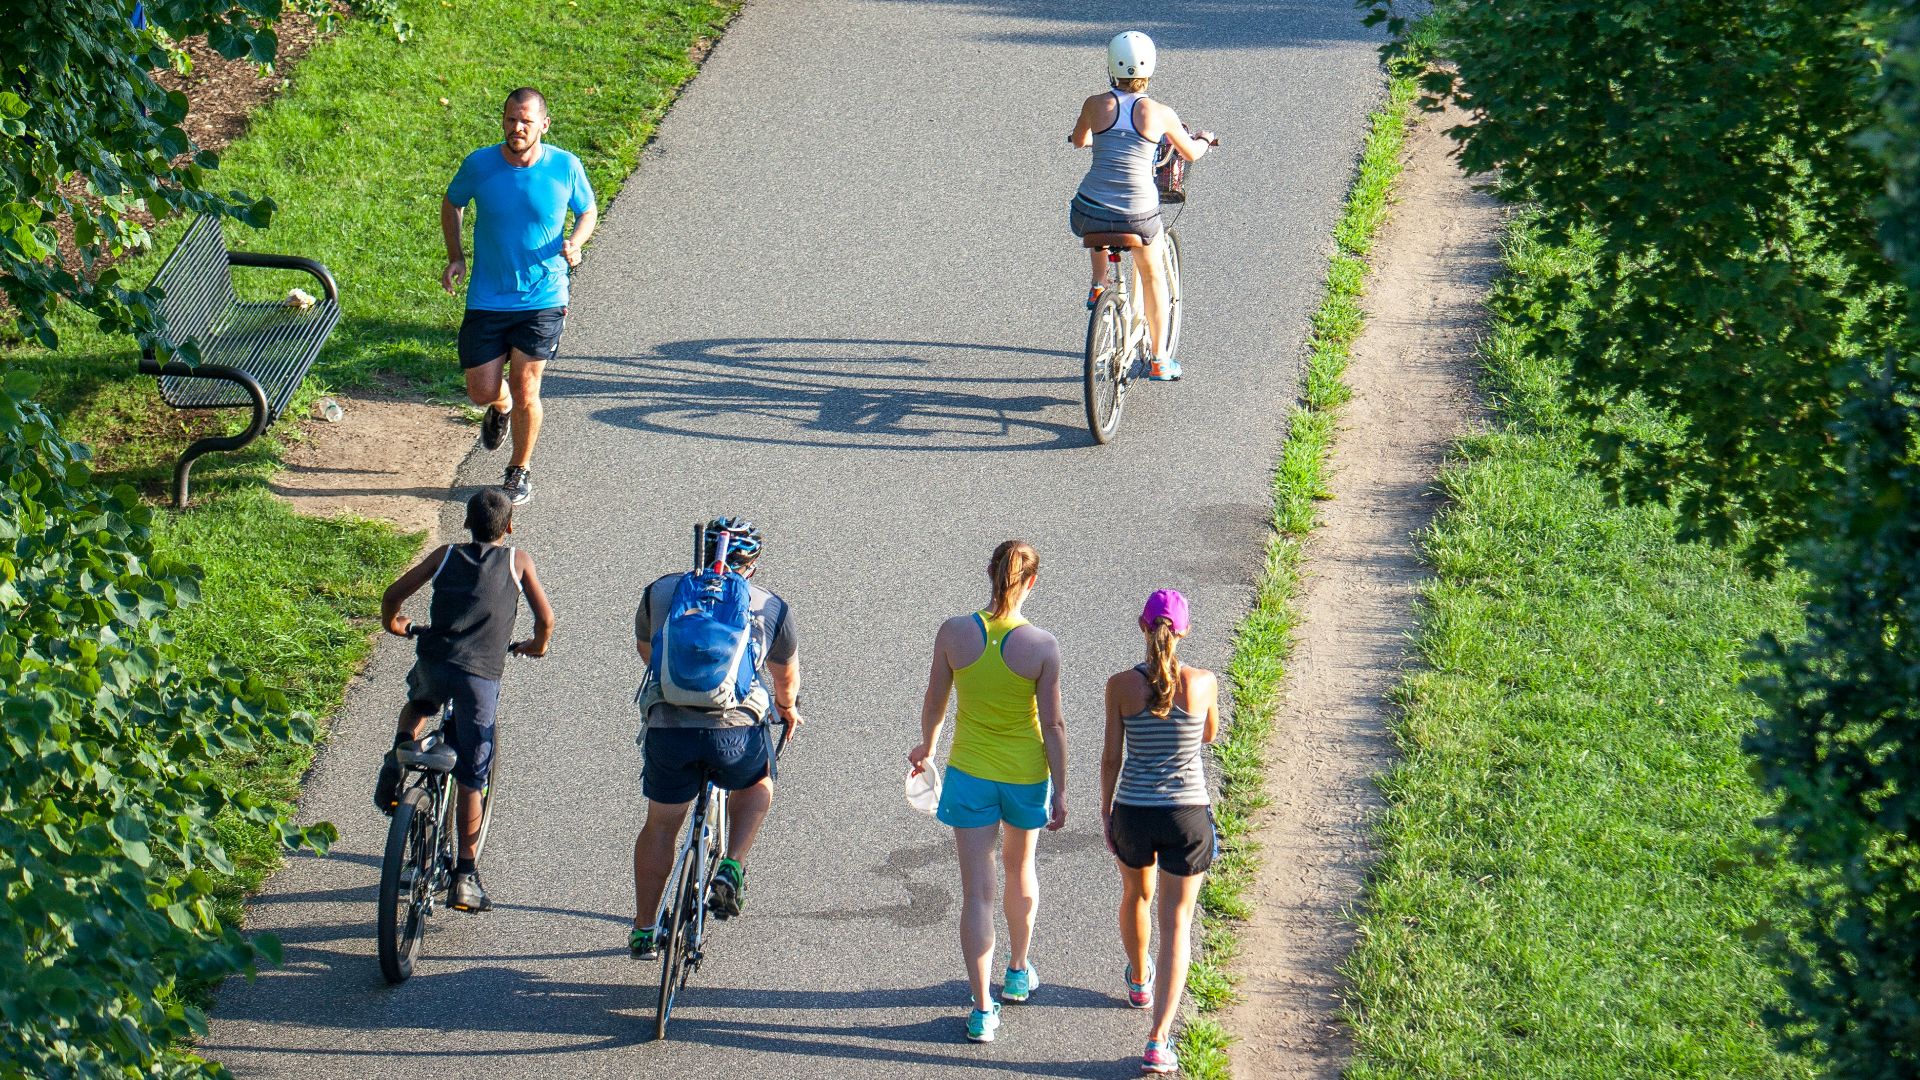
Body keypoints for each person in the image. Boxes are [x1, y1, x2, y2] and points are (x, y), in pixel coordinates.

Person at [908, 540, 1068, 1044]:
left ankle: (982, 1009)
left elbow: (936, 699)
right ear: (1032, 582)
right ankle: (1018, 971)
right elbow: (1054, 723)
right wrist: (1060, 789)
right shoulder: (1042, 646)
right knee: (1022, 869)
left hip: (970, 774)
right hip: (1026, 775)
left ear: (989, 573)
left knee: (977, 892)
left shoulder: (954, 633)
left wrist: (926, 750)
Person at [629, 517, 804, 959]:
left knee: (661, 824)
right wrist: (786, 708)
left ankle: (644, 929)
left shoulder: (662, 592)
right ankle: (733, 863)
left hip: (669, 729)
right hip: (735, 732)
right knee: (758, 781)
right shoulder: (770, 606)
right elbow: (786, 679)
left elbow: (648, 652)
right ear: (753, 565)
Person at [374, 488, 555, 912]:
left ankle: (399, 753)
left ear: (466, 523)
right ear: (509, 527)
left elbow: (393, 594)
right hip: (479, 680)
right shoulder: (518, 560)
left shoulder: (445, 555)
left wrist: (394, 623)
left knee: (419, 704)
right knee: (474, 777)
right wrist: (537, 646)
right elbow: (545, 620)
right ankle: (465, 877)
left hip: (436, 661)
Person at [441, 86, 598, 506]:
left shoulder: (564, 167)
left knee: (528, 386)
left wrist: (577, 242)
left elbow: (587, 210)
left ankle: (518, 471)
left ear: (543, 124)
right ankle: (500, 408)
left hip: (543, 296)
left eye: (526, 120)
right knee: (480, 390)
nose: (517, 127)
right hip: (488, 297)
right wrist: (456, 256)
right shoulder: (480, 164)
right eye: (511, 119)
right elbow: (453, 202)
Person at [1099, 589, 1220, 1076]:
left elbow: (1112, 756)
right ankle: (1158, 1039)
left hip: (1133, 810)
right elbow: (1208, 734)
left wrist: (1106, 812)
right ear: (1184, 631)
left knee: (1136, 895)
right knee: (1178, 923)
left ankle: (1139, 980)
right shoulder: (1204, 682)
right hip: (1187, 815)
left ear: (1142, 627)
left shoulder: (1120, 686)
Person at [1069, 31, 1216, 382]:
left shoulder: (1094, 104)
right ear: (1149, 70)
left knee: (1098, 222)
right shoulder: (1160, 113)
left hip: (1088, 209)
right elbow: (1190, 152)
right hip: (1138, 215)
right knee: (1153, 276)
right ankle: (1160, 359)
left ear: (1110, 67)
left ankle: (1100, 282)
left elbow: (1079, 140)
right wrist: (1205, 140)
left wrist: (1094, 137)